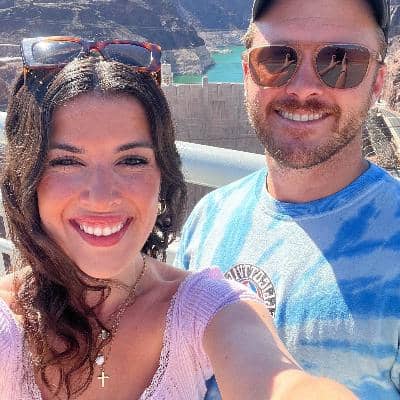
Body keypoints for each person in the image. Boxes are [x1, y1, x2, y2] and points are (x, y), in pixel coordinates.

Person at [0, 37, 356, 400]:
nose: (102, 196)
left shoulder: (208, 309)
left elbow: (280, 384)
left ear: (162, 174)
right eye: (66, 161)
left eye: (132, 160)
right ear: (28, 177)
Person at [174, 0, 400, 399]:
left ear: (378, 83)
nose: (303, 87)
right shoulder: (208, 220)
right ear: (247, 72)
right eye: (277, 59)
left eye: (341, 61)